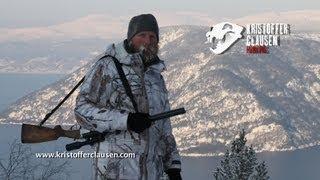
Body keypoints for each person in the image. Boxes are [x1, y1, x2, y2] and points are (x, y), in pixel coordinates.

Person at [74, 14, 182, 180]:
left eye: (153, 36)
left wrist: (173, 167)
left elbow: (164, 127)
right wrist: (126, 120)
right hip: (115, 172)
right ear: (131, 37)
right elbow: (82, 110)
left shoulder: (155, 76)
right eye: (142, 35)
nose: (148, 40)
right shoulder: (109, 66)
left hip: (152, 173)